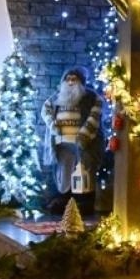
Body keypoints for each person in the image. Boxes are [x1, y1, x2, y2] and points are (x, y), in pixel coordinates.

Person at [42, 67, 102, 212]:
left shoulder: (91, 98)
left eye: (74, 79)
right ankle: (64, 200)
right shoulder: (56, 98)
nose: (70, 82)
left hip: (83, 144)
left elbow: (94, 116)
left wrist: (84, 134)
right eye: (67, 79)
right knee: (64, 172)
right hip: (62, 144)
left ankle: (83, 201)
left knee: (83, 171)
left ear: (81, 81)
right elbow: (45, 110)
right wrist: (52, 125)